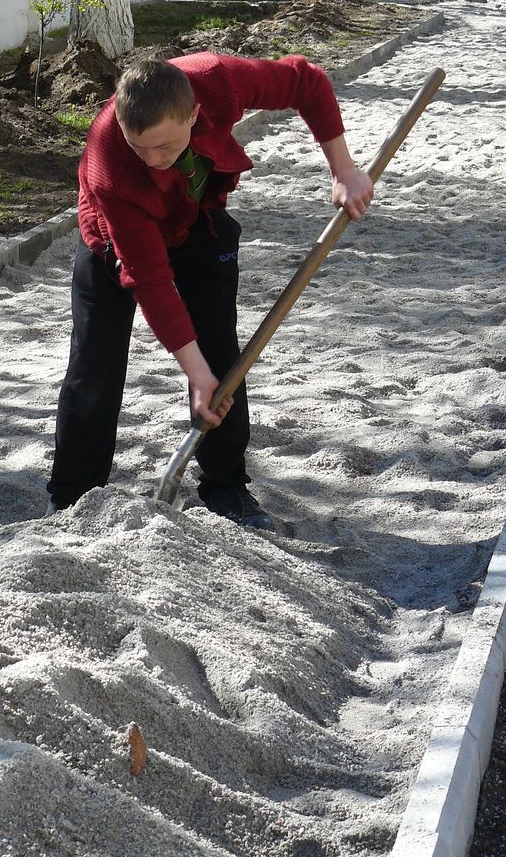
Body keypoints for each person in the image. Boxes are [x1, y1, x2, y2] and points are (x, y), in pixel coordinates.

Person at [46, 51, 374, 529]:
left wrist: (343, 170)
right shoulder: (110, 161)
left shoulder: (218, 81)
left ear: (194, 112)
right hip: (114, 239)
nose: (155, 162)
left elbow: (307, 82)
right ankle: (72, 497)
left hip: (197, 219)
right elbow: (152, 281)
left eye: (166, 146)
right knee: (94, 365)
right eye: (142, 148)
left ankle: (226, 488)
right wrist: (193, 373)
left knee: (221, 353)